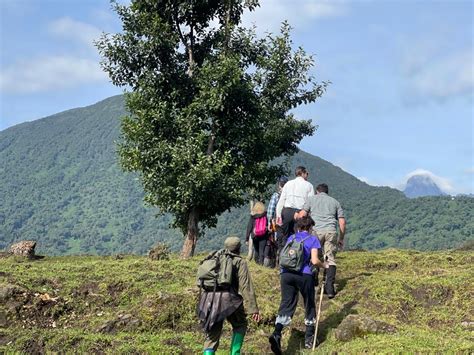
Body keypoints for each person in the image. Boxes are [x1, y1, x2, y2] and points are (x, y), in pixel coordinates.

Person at [269, 216, 328, 353]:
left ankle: (277, 333)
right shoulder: (313, 239)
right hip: (304, 275)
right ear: (310, 227)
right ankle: (308, 339)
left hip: (286, 274)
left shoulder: (291, 238)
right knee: (309, 304)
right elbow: (314, 261)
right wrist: (324, 265)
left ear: (299, 227)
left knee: (286, 303)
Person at [199, 236, 261, 354]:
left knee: (212, 333)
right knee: (240, 324)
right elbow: (245, 287)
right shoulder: (239, 261)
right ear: (238, 248)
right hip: (229, 300)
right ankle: (235, 353)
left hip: (209, 299)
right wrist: (253, 308)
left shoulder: (214, 258)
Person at [298, 183, 346, 298]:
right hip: (330, 231)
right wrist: (341, 238)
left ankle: (313, 282)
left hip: (315, 231)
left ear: (317, 191)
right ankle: (329, 288)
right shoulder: (335, 202)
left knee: (314, 256)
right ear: (327, 192)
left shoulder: (311, 199)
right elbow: (342, 222)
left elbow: (302, 215)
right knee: (330, 257)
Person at [275, 166, 314, 246]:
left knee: (284, 235)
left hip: (287, 212)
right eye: (307, 173)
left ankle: (283, 253)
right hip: (301, 212)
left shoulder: (288, 184)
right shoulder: (309, 185)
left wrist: (278, 215)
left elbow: (281, 201)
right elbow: (311, 202)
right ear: (302, 173)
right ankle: (297, 254)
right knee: (299, 236)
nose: (307, 175)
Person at [266, 176, 289, 265]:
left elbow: (270, 210)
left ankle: (278, 261)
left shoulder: (276, 195)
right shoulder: (289, 195)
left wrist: (269, 223)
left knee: (278, 242)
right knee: (287, 240)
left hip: (278, 222)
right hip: (289, 221)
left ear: (279, 184)